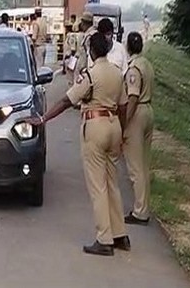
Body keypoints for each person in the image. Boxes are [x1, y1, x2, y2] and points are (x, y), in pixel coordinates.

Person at [27, 32, 130, 256]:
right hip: (114, 125)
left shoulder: (90, 75)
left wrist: (43, 118)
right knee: (112, 182)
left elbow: (67, 100)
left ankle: (104, 238)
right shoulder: (116, 73)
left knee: (98, 185)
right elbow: (123, 105)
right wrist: (121, 132)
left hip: (96, 126)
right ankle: (120, 234)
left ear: (92, 51)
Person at [122, 32, 155, 226]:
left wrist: (125, 121)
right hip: (149, 109)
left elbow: (132, 97)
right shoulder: (147, 64)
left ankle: (140, 211)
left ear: (128, 47)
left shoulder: (133, 69)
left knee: (135, 167)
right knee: (144, 162)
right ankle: (144, 207)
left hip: (138, 112)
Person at [75, 11, 96, 78]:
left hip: (86, 71)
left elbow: (89, 56)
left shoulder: (90, 36)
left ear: (85, 23)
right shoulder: (89, 34)